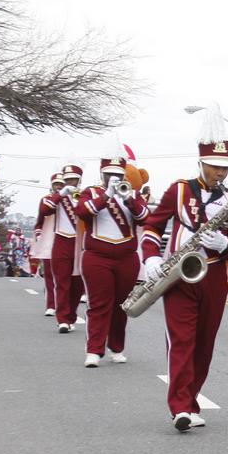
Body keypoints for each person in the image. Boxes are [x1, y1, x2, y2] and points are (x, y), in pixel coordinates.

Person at [140, 107, 228, 431]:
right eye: (214, 167)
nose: (219, 173)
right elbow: (152, 228)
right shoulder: (178, 190)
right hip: (178, 275)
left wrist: (224, 245)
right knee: (181, 341)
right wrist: (151, 258)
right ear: (201, 163)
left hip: (214, 275)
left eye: (224, 168)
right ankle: (180, 407)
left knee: (204, 343)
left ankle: (192, 397)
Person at [75, 149, 150, 367]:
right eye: (109, 173)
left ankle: (117, 347)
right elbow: (82, 211)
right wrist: (107, 195)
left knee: (121, 305)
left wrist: (129, 200)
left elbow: (146, 217)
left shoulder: (133, 194)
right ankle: (94, 350)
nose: (114, 178)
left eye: (118, 174)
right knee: (98, 304)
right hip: (97, 257)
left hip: (127, 257)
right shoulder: (92, 192)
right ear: (102, 173)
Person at [44, 165, 87, 332]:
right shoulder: (55, 198)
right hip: (62, 241)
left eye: (73, 179)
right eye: (67, 179)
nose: (70, 182)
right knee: (62, 282)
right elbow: (44, 210)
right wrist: (61, 194)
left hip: (79, 244)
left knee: (77, 284)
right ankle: (62, 319)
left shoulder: (85, 195)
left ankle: (71, 315)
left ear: (79, 180)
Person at [31, 173, 64, 315]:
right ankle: (51, 304)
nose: (59, 186)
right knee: (50, 276)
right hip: (49, 241)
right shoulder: (46, 200)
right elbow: (40, 219)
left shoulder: (71, 199)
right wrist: (39, 235)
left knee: (64, 277)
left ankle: (64, 305)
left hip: (67, 241)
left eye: (61, 184)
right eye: (56, 184)